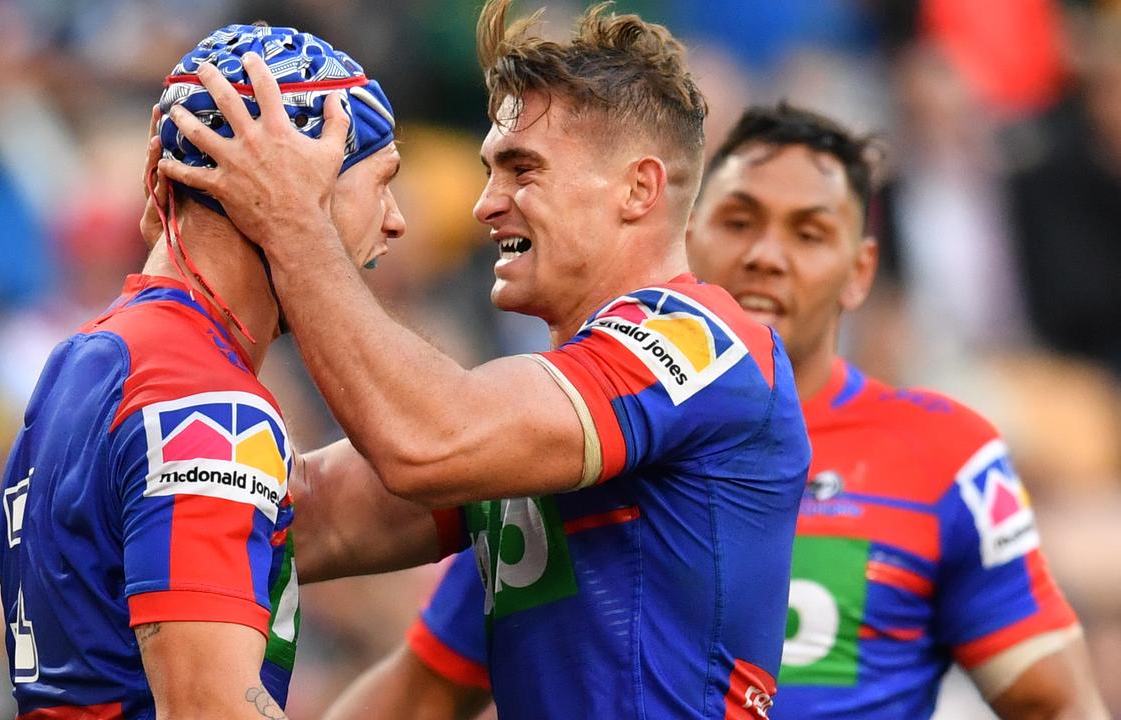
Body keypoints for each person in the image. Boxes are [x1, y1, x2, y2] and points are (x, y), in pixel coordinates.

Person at [325, 104, 1111, 720]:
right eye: (740, 221)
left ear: (859, 269)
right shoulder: (573, 447)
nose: (767, 254)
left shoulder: (943, 455)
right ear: (689, 234)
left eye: (810, 232)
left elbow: (1053, 702)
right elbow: (427, 688)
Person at [158, 1, 811, 718]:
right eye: (489, 169)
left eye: (522, 169)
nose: (485, 204)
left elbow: (430, 442)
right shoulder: (532, 445)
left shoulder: (704, 341)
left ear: (639, 189)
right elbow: (306, 522)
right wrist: (122, 452)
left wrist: (292, 223)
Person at [0, 23, 404, 720]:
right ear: (296, 186)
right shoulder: (206, 403)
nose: (396, 223)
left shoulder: (87, 361)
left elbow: (321, 516)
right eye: (383, 182)